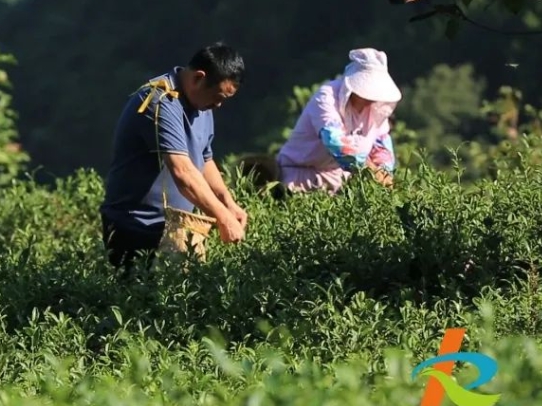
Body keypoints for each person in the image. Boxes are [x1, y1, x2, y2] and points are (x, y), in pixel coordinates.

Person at [99, 42, 248, 274]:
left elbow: (204, 159)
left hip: (175, 229)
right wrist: (222, 218)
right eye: (217, 96)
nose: (218, 105)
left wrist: (228, 203)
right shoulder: (160, 101)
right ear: (199, 78)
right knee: (140, 303)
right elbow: (183, 171)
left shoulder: (203, 106)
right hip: (137, 229)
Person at [276, 48, 401, 194]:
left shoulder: (375, 110)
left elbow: (382, 147)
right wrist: (372, 170)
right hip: (298, 178)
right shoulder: (327, 97)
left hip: (337, 183)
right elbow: (335, 143)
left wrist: (384, 174)